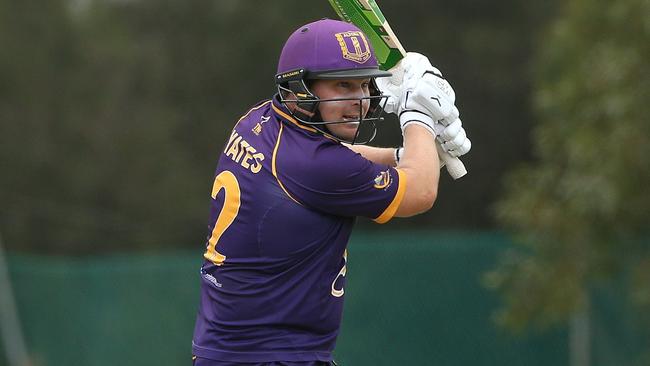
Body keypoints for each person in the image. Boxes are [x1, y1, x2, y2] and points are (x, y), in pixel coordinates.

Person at [191, 18, 471, 366]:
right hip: (275, 356)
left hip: (233, 351)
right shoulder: (318, 167)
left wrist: (409, 155)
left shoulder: (259, 120)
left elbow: (337, 159)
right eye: (342, 86)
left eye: (364, 86)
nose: (360, 101)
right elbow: (421, 192)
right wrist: (419, 117)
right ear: (299, 89)